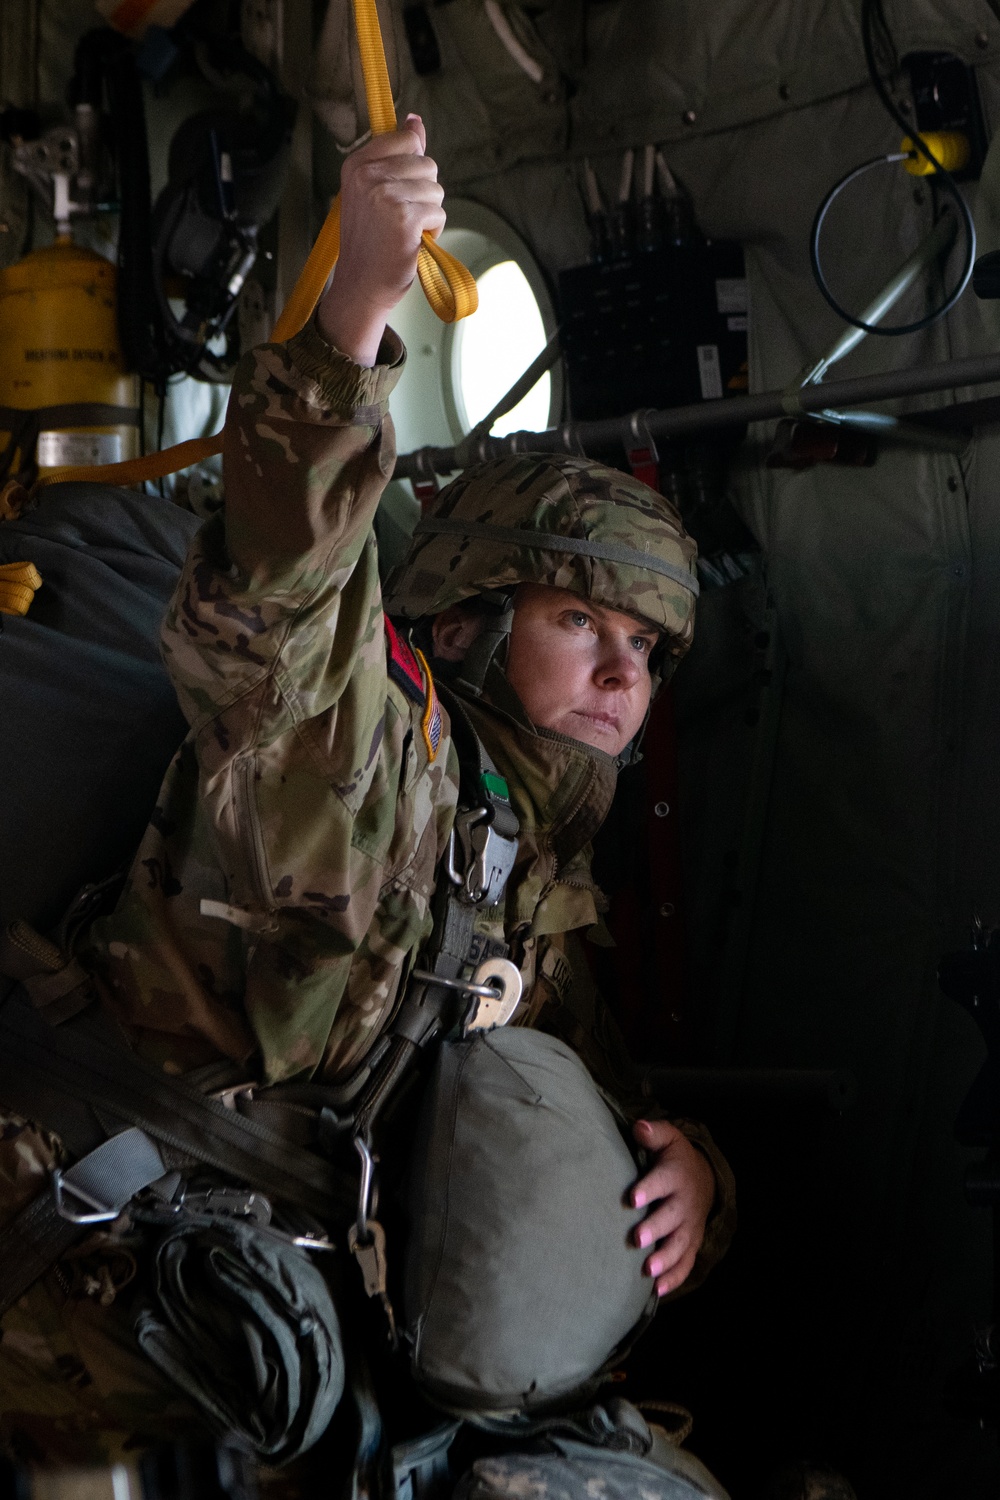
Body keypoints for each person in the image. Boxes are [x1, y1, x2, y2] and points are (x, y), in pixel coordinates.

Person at [0, 114, 734, 1465]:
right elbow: (276, 601)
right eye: (583, 623)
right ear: (460, 624)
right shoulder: (366, 754)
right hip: (89, 1317)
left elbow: (589, 1113)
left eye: (646, 653)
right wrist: (356, 313)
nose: (624, 676)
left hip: (280, 1370)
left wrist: (699, 1174)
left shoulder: (539, 902)